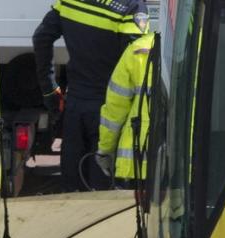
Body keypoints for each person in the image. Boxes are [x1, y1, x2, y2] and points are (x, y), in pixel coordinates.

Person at [33, 0, 146, 192]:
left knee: (71, 189)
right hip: (110, 111)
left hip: (74, 107)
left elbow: (41, 37)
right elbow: (136, 63)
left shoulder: (70, 2)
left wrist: (50, 89)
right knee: (103, 192)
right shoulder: (130, 8)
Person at [94, 16, 153, 189]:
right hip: (193, 169)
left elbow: (115, 111)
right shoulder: (212, 47)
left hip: (138, 163)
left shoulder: (137, 50)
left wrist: (105, 151)